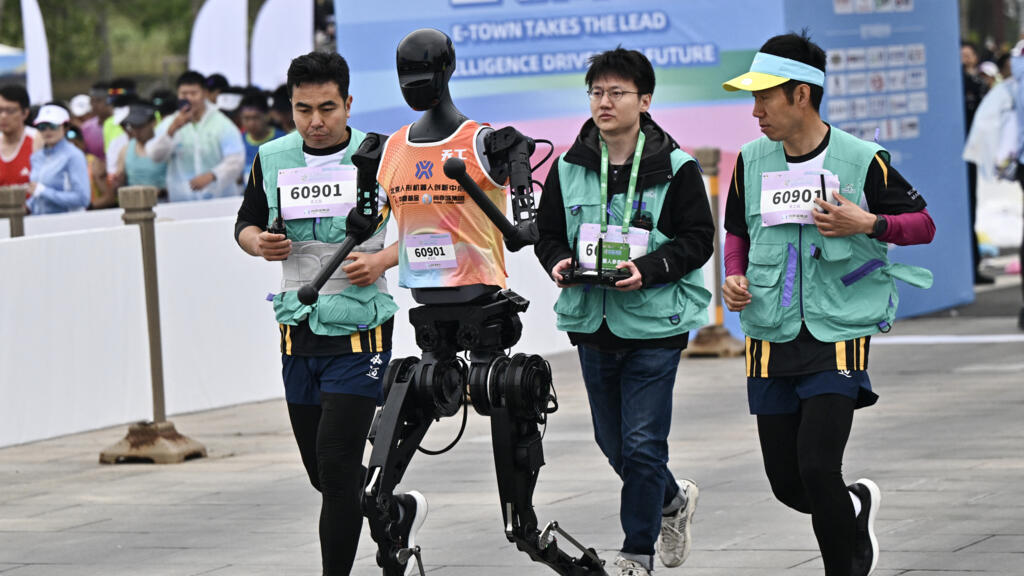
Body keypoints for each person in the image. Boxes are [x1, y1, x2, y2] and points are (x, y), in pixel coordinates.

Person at [721, 32, 936, 576]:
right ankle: (854, 508)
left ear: (801, 95)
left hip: (838, 327)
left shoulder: (862, 160)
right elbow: (737, 236)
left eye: (765, 97)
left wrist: (869, 222)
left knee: (818, 467)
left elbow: (924, 224)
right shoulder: (750, 160)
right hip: (769, 332)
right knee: (787, 483)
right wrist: (734, 276)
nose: (755, 111)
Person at [233, 51, 415, 576]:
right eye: (303, 109)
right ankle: (394, 509)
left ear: (349, 104)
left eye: (328, 108)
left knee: (336, 471)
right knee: (323, 474)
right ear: (290, 108)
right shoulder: (271, 157)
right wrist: (257, 243)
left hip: (361, 327)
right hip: (297, 327)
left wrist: (381, 258)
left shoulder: (383, 156)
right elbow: (245, 223)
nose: (315, 122)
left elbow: (429, 231)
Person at [534, 47, 713, 576]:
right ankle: (672, 501)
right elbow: (548, 235)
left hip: (655, 321)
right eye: (597, 92)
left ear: (645, 100)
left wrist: (651, 268)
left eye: (617, 93)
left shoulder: (675, 167)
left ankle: (637, 552)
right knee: (613, 442)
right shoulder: (569, 166)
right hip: (594, 322)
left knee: (640, 444)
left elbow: (698, 239)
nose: (605, 102)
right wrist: (557, 261)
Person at [147, 70, 244, 202]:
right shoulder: (170, 123)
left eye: (193, 93)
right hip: (181, 202)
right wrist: (171, 131)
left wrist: (213, 175)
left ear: (204, 93)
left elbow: (236, 159)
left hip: (219, 201)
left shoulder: (222, 123)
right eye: (183, 94)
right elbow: (154, 155)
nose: (188, 98)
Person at [963, 42, 993, 284]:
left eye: (969, 54)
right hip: (955, 156)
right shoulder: (954, 83)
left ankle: (972, 266)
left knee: (971, 207)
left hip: (969, 155)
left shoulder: (979, 85)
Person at [26, 104, 91, 215]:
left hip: (67, 223)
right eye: (42, 126)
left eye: (53, 126)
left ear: (65, 127)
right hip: (38, 224)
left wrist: (44, 192)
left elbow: (82, 198)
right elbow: (37, 196)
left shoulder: (74, 155)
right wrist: (26, 205)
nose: (47, 131)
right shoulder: (36, 157)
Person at [115, 103, 168, 200]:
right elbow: (119, 182)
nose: (136, 130)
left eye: (141, 126)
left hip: (164, 205)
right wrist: (117, 179)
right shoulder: (125, 150)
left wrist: (162, 192)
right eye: (133, 126)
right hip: (135, 208)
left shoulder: (165, 147)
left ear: (153, 123)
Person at [0, 84, 41, 190]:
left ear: (25, 113)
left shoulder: (37, 140)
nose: (3, 116)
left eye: (10, 111)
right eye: (0, 110)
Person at [238, 91, 285, 182]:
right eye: (246, 118)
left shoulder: (282, 140)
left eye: (256, 117)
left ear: (267, 116)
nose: (251, 123)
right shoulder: (239, 142)